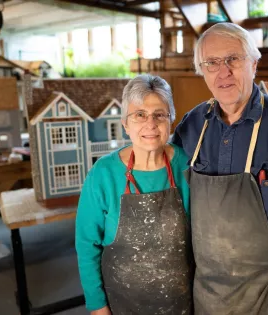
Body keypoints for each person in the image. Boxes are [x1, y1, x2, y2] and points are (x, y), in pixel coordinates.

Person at [172, 22, 268, 315]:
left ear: (254, 64)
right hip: (207, 297)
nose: (224, 72)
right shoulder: (192, 126)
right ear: (202, 71)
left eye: (233, 59)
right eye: (212, 63)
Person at [76, 74, 192, 315]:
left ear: (171, 119)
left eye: (159, 114)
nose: (150, 124)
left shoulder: (187, 166)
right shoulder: (103, 174)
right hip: (121, 304)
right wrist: (98, 307)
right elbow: (87, 244)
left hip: (181, 303)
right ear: (125, 123)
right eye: (139, 115)